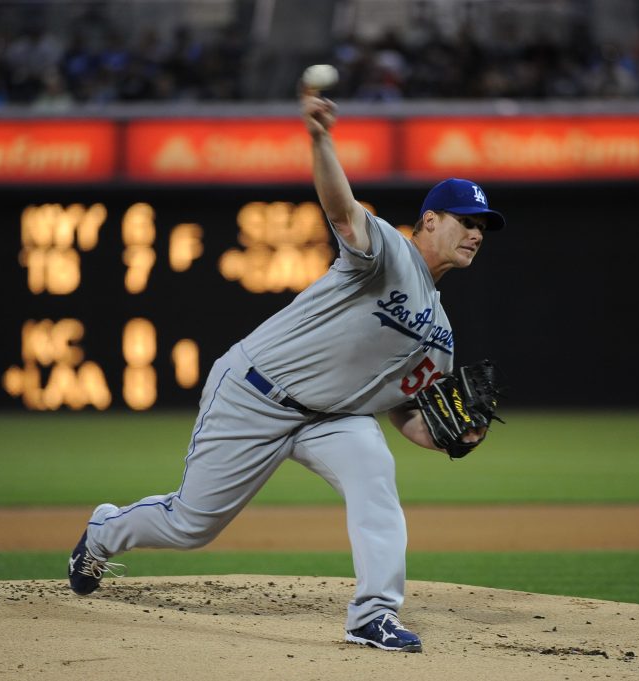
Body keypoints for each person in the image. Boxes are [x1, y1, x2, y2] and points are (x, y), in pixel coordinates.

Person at [67, 86, 505, 653]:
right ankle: (103, 532)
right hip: (255, 393)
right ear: (428, 220)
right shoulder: (389, 253)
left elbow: (405, 415)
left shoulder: (440, 337)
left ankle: (372, 616)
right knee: (191, 526)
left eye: (483, 226)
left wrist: (455, 439)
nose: (476, 233)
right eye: (466, 220)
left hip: (330, 418)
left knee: (375, 477)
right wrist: (321, 140)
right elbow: (342, 211)